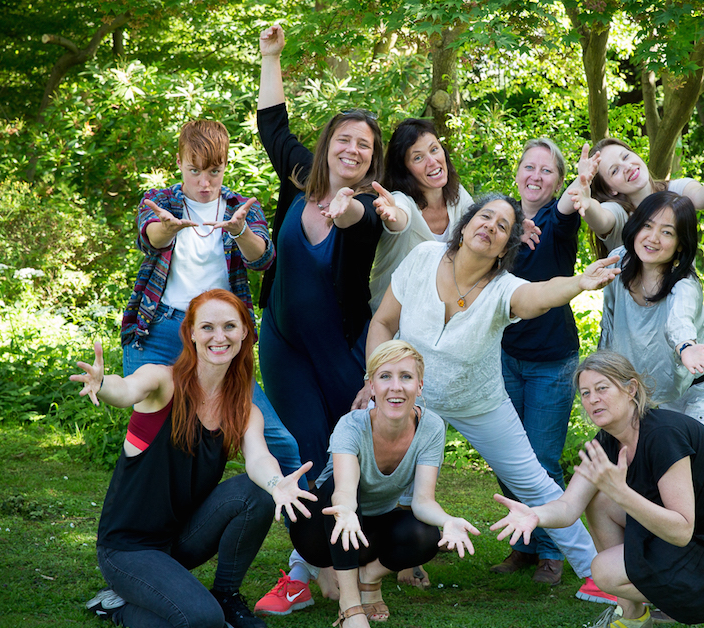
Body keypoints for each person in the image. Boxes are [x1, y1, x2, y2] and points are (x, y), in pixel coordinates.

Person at [365, 194, 622, 603]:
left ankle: (596, 573)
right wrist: (374, 381)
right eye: (484, 217)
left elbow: (540, 295)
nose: (490, 226)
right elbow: (382, 321)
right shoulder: (423, 257)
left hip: (479, 401)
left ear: (506, 248)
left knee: (533, 482)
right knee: (367, 471)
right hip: (408, 397)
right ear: (465, 225)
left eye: (503, 226)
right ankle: (314, 567)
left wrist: (578, 283)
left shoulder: (504, 289)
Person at [254, 24, 407, 613]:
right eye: (344, 140)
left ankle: (363, 564)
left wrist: (347, 209)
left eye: (364, 145)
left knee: (351, 449)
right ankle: (319, 567)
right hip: (285, 346)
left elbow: (356, 226)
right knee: (305, 450)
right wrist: (271, 56)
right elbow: (273, 126)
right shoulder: (300, 177)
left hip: (342, 347)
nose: (353, 150)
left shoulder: (367, 206)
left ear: (373, 159)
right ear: (327, 146)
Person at [75, 289, 316, 628]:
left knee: (257, 493)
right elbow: (127, 389)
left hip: (180, 539)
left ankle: (226, 596)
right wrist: (103, 384)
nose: (219, 337)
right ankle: (115, 606)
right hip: (127, 549)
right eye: (207, 327)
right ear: (190, 333)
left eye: (229, 326)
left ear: (245, 332)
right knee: (202, 620)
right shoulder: (163, 381)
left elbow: (259, 458)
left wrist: (276, 484)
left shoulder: (244, 408)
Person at [491, 351, 704, 628]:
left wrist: (622, 493)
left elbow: (681, 530)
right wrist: (535, 515)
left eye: (602, 388)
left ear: (631, 389)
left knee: (604, 570)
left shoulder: (664, 436)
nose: (593, 399)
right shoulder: (607, 442)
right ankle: (633, 616)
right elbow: (567, 507)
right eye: (586, 393)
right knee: (599, 502)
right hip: (695, 539)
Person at [119, 118, 305, 492]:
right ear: (179, 163)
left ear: (225, 166)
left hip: (218, 339)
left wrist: (240, 231)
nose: (205, 183)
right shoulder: (161, 201)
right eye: (195, 171)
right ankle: (137, 516)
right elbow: (150, 238)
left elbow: (262, 258)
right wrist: (166, 228)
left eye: (214, 172)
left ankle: (305, 516)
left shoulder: (240, 207)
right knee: (149, 443)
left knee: (280, 440)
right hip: (159, 332)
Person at [290, 340, 479, 627]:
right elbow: (344, 489)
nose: (396, 387)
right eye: (385, 376)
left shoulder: (431, 427)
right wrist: (346, 511)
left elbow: (423, 501)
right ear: (371, 386)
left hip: (371, 531)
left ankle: (369, 577)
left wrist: (448, 520)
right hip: (321, 531)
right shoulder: (351, 425)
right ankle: (350, 606)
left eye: (406, 377)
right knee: (336, 492)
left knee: (425, 535)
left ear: (419, 386)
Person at [490, 138, 580, 585]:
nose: (536, 176)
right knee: (509, 457)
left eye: (547, 170)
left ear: (558, 181)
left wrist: (581, 185)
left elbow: (565, 210)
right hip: (505, 357)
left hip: (551, 361)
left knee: (541, 459)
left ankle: (551, 551)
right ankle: (523, 545)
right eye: (529, 166)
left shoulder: (558, 221)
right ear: (518, 171)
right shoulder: (502, 219)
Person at [597, 190, 704, 445]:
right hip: (662, 391)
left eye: (667, 232)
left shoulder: (684, 285)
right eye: (647, 226)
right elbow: (609, 321)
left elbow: (679, 320)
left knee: (696, 462)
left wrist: (686, 347)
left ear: (680, 243)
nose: (653, 238)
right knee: (658, 462)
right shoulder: (618, 263)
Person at [562, 139, 704, 257]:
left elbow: (698, 195)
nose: (626, 167)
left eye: (626, 157)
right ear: (610, 190)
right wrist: (588, 204)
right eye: (614, 170)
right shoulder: (618, 213)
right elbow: (602, 219)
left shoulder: (674, 190)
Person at [367, 118, 474, 312]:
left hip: (435, 317)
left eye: (434, 149)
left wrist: (513, 227)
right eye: (418, 158)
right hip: (390, 320)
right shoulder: (401, 200)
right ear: (404, 170)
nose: (432, 161)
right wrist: (392, 213)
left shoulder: (457, 194)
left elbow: (479, 223)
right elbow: (400, 217)